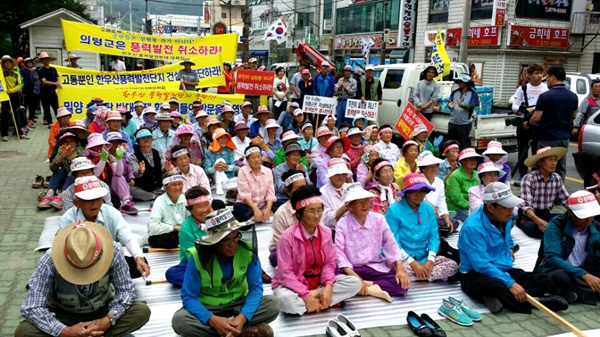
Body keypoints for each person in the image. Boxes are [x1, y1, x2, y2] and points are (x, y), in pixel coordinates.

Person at [15, 221, 150, 337]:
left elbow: (126, 291)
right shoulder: (49, 260)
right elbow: (31, 306)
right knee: (24, 332)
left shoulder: (113, 251)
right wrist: (64, 331)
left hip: (102, 311)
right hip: (63, 316)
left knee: (141, 311)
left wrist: (108, 320)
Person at [459, 182, 569, 314]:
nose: (511, 210)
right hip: (476, 274)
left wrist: (510, 250)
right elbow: (481, 265)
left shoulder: (506, 217)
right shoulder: (473, 228)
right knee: (494, 286)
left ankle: (498, 298)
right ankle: (536, 301)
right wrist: (510, 283)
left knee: (543, 279)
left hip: (502, 269)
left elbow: (507, 239)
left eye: (511, 206)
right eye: (506, 207)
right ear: (490, 207)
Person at [172, 209, 281, 337]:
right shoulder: (197, 257)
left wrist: (242, 318)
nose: (232, 245)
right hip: (208, 307)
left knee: (273, 304)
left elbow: (256, 288)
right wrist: (213, 320)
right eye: (226, 240)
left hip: (238, 304)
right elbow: (189, 297)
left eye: (235, 238)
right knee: (180, 321)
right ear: (214, 241)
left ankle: (229, 330)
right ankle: (239, 332)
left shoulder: (248, 252)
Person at [272, 185, 362, 314]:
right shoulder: (288, 237)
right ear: (299, 214)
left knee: (354, 283)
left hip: (318, 282)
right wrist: (306, 295)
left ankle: (316, 301)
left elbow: (329, 263)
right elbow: (285, 274)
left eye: (319, 210)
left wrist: (328, 286)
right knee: (285, 300)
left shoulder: (325, 232)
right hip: (294, 285)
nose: (316, 216)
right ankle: (322, 301)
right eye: (311, 211)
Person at [60, 176, 150, 279]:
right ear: (76, 203)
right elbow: (63, 250)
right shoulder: (68, 220)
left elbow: (127, 237)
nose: (94, 203)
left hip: (107, 261)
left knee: (137, 264)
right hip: (80, 264)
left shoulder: (111, 213)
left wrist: (138, 257)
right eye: (88, 199)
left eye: (98, 199)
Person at [337, 186, 411, 302]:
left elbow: (390, 243)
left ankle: (365, 285)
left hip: (374, 267)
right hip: (351, 269)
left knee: (401, 285)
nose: (365, 205)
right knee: (333, 275)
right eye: (359, 202)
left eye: (366, 201)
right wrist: (356, 278)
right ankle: (371, 289)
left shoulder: (379, 219)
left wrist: (400, 269)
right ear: (350, 207)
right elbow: (339, 254)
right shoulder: (342, 224)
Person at [385, 173, 459, 283]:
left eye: (422, 191)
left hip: (422, 257)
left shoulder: (428, 209)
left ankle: (415, 277)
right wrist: (411, 262)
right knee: (391, 266)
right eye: (415, 191)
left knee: (452, 265)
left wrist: (430, 260)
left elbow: (434, 237)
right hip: (401, 259)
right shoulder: (394, 210)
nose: (419, 195)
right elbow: (393, 241)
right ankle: (421, 276)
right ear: (407, 193)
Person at [536, 190, 600, 305]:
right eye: (585, 216)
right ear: (570, 212)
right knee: (559, 276)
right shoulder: (555, 226)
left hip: (585, 269)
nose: (589, 220)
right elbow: (553, 258)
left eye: (592, 216)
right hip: (560, 270)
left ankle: (576, 293)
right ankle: (590, 294)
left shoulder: (595, 227)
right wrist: (583, 275)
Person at [525, 65, 578, 181]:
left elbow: (536, 118)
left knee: (544, 167)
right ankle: (559, 192)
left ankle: (543, 191)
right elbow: (574, 116)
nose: (546, 80)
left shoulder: (546, 96)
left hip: (547, 136)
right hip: (564, 137)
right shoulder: (573, 96)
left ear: (553, 77)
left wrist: (527, 124)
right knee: (560, 167)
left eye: (547, 77)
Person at [165, 186, 212, 287]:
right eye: (199, 207)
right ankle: (211, 282)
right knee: (172, 273)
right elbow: (192, 257)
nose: (205, 210)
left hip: (221, 259)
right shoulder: (186, 228)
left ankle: (205, 282)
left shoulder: (218, 218)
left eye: (207, 204)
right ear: (190, 210)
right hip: (197, 264)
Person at [518, 146, 569, 239]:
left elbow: (567, 201)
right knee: (536, 229)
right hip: (529, 216)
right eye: (550, 160)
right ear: (540, 162)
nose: (554, 163)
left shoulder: (556, 178)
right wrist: (537, 221)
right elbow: (526, 206)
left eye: (555, 160)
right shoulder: (529, 178)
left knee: (569, 221)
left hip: (546, 214)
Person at [511, 63, 547, 186]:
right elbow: (514, 105)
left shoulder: (546, 89)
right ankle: (522, 174)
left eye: (541, 73)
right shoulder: (522, 89)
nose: (539, 76)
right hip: (525, 122)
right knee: (522, 150)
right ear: (529, 75)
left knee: (538, 150)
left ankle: (536, 175)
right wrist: (524, 110)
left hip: (539, 123)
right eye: (536, 73)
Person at [269, 170, 307, 266]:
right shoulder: (281, 214)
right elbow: (281, 244)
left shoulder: (314, 207)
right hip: (288, 249)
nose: (302, 192)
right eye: (298, 188)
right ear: (288, 192)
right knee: (277, 258)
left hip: (310, 247)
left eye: (304, 187)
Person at [39, 132, 84, 210]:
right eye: (65, 142)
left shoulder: (81, 154)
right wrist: (61, 157)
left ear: (76, 143)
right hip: (62, 181)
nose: (68, 144)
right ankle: (50, 194)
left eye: (71, 141)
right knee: (59, 171)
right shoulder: (61, 153)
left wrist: (71, 157)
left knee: (72, 174)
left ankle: (62, 196)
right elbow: (52, 168)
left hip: (75, 182)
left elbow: (81, 170)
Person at [419, 151, 459, 235]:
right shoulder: (418, 181)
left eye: (436, 166)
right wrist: (431, 207)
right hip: (421, 215)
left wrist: (446, 217)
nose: (434, 169)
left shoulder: (439, 182)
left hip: (436, 217)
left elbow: (442, 202)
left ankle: (436, 231)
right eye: (430, 167)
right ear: (423, 168)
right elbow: (418, 201)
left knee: (453, 223)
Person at [233, 145, 277, 222]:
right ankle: (256, 217)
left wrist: (268, 209)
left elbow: (270, 193)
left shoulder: (268, 171)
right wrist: (256, 210)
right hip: (247, 205)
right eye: (253, 158)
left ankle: (259, 216)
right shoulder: (243, 171)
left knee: (279, 206)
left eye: (258, 157)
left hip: (263, 205)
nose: (256, 160)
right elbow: (245, 196)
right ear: (247, 160)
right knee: (238, 208)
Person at [147, 172, 188, 248]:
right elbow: (152, 227)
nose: (177, 188)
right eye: (173, 185)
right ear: (165, 187)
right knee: (170, 239)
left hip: (182, 232)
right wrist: (174, 227)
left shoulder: (185, 199)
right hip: (166, 233)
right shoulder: (159, 202)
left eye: (180, 184)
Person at [130, 128, 172, 201]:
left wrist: (166, 169)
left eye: (148, 137)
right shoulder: (133, 156)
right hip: (143, 188)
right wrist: (141, 171)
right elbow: (135, 173)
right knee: (131, 189)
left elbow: (162, 170)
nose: (146, 140)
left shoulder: (159, 153)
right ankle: (154, 196)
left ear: (152, 139)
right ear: (138, 142)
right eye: (143, 138)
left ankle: (155, 195)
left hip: (159, 187)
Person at [105, 132, 139, 215]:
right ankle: (126, 202)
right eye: (113, 142)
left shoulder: (125, 155)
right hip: (110, 185)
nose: (116, 144)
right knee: (117, 177)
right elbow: (117, 173)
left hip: (125, 184)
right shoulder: (106, 156)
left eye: (118, 142)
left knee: (137, 190)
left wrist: (131, 177)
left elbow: (129, 167)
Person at [446, 148, 482, 222]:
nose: (473, 161)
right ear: (462, 161)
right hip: (456, 208)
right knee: (478, 219)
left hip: (475, 205)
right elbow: (457, 198)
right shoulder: (455, 176)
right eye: (470, 159)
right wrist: (474, 206)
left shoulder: (477, 174)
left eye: (474, 159)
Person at [320, 158, 353, 232]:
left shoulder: (350, 187)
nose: (341, 177)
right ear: (331, 176)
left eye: (343, 174)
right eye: (337, 174)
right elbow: (326, 220)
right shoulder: (323, 192)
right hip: (333, 231)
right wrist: (344, 208)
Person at [447, 73, 479, 149]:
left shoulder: (473, 94)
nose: (459, 83)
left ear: (467, 83)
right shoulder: (454, 92)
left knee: (463, 145)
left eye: (462, 81)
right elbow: (449, 102)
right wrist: (449, 105)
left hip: (464, 124)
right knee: (451, 145)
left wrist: (463, 106)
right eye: (458, 81)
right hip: (452, 122)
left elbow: (472, 106)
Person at [1, 55, 28, 140]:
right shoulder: (0, 73)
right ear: (3, 63)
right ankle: (4, 134)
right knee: (5, 115)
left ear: (12, 63)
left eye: (9, 62)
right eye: (6, 62)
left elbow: (20, 85)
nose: (8, 64)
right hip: (4, 96)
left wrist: (11, 90)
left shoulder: (16, 73)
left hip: (14, 95)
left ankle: (19, 132)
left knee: (17, 114)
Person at [204, 128, 236, 195]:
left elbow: (234, 167)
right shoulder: (208, 153)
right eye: (221, 138)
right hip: (214, 179)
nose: (223, 140)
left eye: (225, 138)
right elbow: (207, 171)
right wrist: (214, 168)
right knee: (219, 161)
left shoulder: (229, 151)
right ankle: (219, 185)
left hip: (228, 179)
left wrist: (227, 167)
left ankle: (220, 185)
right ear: (216, 140)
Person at [37, 52, 60, 125]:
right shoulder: (41, 70)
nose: (46, 60)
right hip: (44, 92)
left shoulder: (53, 69)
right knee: (46, 108)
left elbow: (58, 77)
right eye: (44, 59)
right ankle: (49, 122)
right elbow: (44, 81)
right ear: (42, 61)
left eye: (47, 59)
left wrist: (58, 82)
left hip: (53, 91)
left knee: (56, 107)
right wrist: (55, 83)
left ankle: (60, 121)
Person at [20, 57, 40, 128]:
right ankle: (24, 120)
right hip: (26, 90)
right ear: (25, 63)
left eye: (30, 62)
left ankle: (31, 119)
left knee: (33, 106)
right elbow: (20, 81)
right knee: (25, 106)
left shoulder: (35, 71)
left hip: (35, 90)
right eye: (28, 62)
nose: (29, 63)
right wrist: (21, 90)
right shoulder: (22, 71)